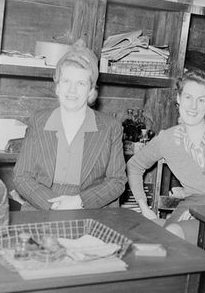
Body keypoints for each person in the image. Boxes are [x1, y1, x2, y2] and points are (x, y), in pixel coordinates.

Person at [127, 69, 205, 244]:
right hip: (190, 208)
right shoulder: (167, 139)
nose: (193, 106)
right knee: (155, 243)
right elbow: (134, 166)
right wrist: (144, 207)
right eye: (188, 97)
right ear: (178, 98)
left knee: (172, 238)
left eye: (201, 100)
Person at [13, 40, 127, 211]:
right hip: (42, 205)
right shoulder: (39, 121)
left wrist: (79, 201)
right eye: (66, 81)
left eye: (81, 83)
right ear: (57, 86)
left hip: (90, 208)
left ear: (91, 91)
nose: (72, 90)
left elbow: (117, 181)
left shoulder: (110, 127)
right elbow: (22, 176)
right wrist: (53, 204)